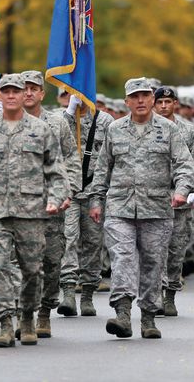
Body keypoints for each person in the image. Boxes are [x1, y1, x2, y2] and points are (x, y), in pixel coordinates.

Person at [0, 73, 66, 348]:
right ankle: (6, 323)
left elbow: (56, 173)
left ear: (23, 95)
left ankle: (28, 316)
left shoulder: (42, 130)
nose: (10, 95)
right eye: (5, 91)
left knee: (32, 270)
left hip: (32, 213)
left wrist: (55, 198)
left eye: (16, 91)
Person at [90, 77, 193, 339]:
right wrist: (96, 200)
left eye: (145, 96)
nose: (140, 101)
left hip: (157, 209)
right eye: (134, 96)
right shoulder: (114, 129)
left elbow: (184, 164)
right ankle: (123, 313)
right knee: (122, 258)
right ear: (126, 101)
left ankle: (148, 316)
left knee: (152, 262)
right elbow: (103, 168)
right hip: (119, 208)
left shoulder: (169, 130)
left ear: (152, 99)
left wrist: (181, 192)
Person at [18, 71, 78, 337]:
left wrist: (69, 192)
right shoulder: (3, 123)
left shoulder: (58, 123)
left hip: (51, 206)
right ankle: (24, 313)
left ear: (42, 93)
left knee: (51, 262)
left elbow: (72, 160)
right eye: (24, 88)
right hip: (17, 207)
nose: (29, 93)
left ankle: (44, 311)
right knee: (19, 262)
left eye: (34, 88)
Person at [153, 86, 194, 317]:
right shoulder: (147, 127)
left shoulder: (191, 130)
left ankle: (171, 294)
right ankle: (154, 295)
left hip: (180, 200)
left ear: (176, 103)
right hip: (153, 199)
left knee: (175, 251)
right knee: (153, 250)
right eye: (160, 102)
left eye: (168, 102)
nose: (164, 106)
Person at [60, 92, 115, 318]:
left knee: (93, 243)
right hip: (68, 192)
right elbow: (52, 142)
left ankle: (88, 294)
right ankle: (69, 293)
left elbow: (111, 159)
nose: (74, 97)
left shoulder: (105, 122)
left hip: (95, 191)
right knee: (68, 240)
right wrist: (69, 114)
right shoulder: (60, 119)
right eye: (66, 94)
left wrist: (103, 194)